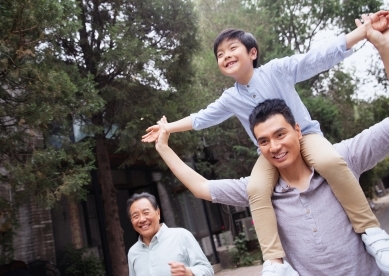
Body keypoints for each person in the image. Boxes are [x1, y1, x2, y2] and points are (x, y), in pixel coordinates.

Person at [143, 10, 389, 275]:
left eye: (232, 48)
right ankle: (274, 261)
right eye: (219, 55)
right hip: (267, 157)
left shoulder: (277, 70)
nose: (225, 56)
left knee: (329, 160)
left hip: (307, 136)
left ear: (252, 53)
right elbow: (202, 118)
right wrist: (167, 128)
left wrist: (365, 33)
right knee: (257, 187)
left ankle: (371, 232)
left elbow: (315, 58)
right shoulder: (230, 98)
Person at [126, 192, 214, 276]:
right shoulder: (133, 252)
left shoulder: (181, 236)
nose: (142, 219)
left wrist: (189, 272)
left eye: (146, 213)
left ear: (158, 213)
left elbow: (208, 270)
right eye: (135, 216)